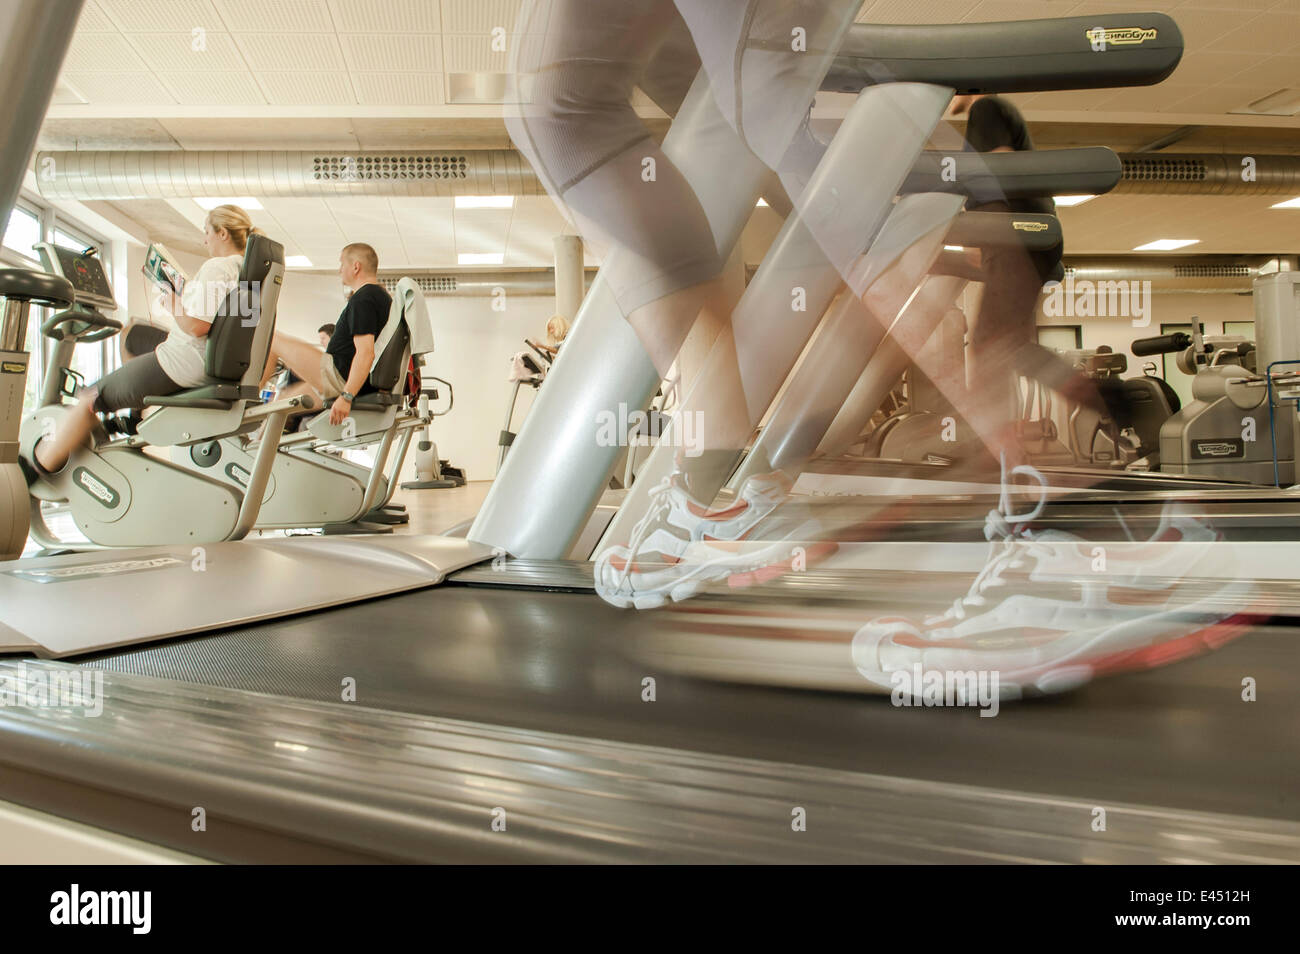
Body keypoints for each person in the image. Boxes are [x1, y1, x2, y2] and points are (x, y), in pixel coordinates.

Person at [32, 204, 260, 474]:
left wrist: (173, 304)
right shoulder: (248, 274)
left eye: (207, 232)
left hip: (181, 363)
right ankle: (132, 416)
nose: (205, 239)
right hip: (205, 364)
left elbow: (198, 326)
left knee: (90, 396)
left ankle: (35, 470)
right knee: (135, 340)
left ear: (223, 233)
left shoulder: (217, 267)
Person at [259, 243, 390, 426]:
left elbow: (366, 353)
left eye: (342, 264)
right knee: (279, 405)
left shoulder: (364, 298)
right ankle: (259, 448)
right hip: (344, 377)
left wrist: (347, 396)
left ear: (356, 266)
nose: (339, 270)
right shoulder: (381, 296)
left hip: (337, 376)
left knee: (272, 339)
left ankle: (246, 399)